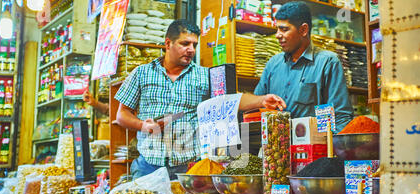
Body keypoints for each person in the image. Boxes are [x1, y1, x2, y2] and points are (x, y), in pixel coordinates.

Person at [114, 19, 285, 180]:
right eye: (184, 43)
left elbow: (230, 100)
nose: (191, 50)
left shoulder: (204, 76)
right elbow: (122, 115)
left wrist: (261, 100)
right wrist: (143, 125)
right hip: (148, 165)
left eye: (194, 45)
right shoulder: (141, 73)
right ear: (168, 43)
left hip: (188, 167)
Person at [250, 1, 354, 132]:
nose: (277, 35)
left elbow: (340, 117)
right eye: (277, 29)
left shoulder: (327, 62)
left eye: (284, 29)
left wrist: (331, 150)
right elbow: (256, 110)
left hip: (313, 149)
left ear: (303, 30)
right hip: (275, 149)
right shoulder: (273, 64)